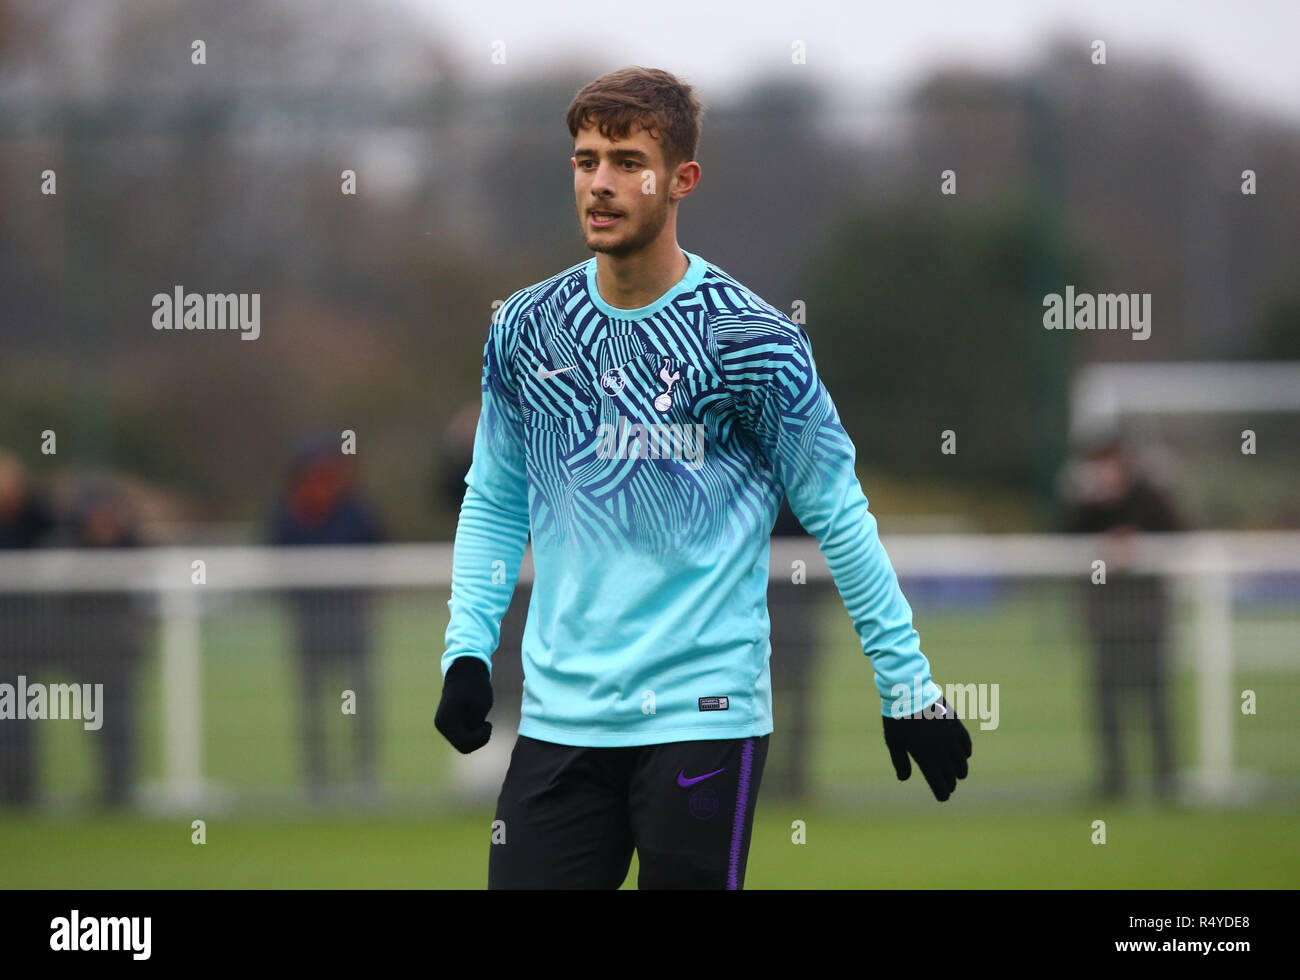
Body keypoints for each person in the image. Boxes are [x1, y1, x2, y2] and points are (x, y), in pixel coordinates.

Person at [436, 67, 971, 890]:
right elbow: (496, 499)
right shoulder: (523, 329)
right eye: (585, 161)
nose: (601, 184)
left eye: (626, 160)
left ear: (682, 179)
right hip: (560, 722)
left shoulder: (752, 340)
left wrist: (908, 688)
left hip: (704, 716)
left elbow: (839, 513)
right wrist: (468, 651)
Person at [1059, 432, 1184, 801]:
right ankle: (1115, 780)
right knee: (1107, 698)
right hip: (1105, 618)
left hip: (1147, 616)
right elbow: (1062, 542)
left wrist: (1135, 540)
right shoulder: (1086, 507)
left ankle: (1166, 778)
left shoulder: (1149, 498)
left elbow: (1178, 533)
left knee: (1155, 695)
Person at [268, 437, 385, 799]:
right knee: (313, 706)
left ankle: (365, 775)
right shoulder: (288, 514)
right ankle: (317, 778)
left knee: (361, 701)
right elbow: (274, 564)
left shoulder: (356, 510)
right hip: (310, 627)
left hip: (352, 625)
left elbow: (382, 555)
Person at [0, 451, 57, 807]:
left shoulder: (30, 518)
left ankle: (22, 790)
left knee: (17, 711)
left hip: (17, 638)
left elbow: (48, 519)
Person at [764, 497, 829, 800]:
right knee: (793, 699)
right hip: (787, 605)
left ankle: (783, 780)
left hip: (784, 604)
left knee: (789, 698)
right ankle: (788, 781)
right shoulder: (806, 483)